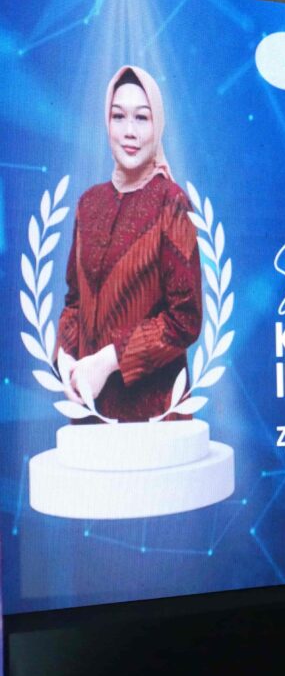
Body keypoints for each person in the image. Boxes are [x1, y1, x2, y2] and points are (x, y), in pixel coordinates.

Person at [57, 65, 202, 422]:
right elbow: (74, 302)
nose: (130, 132)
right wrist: (66, 358)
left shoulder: (172, 202)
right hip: (91, 412)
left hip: (155, 417)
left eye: (142, 117)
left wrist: (109, 360)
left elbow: (185, 319)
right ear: (106, 123)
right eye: (118, 116)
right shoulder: (88, 204)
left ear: (158, 125)